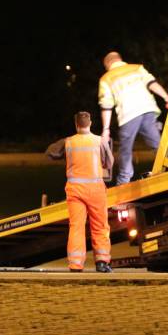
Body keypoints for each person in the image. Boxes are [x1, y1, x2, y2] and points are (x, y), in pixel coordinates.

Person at [46, 111, 114, 273]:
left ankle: (76, 265)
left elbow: (50, 152)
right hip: (96, 189)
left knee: (76, 227)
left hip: (75, 190)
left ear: (76, 125)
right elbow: (110, 162)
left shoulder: (68, 142)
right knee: (100, 226)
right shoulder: (99, 141)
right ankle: (102, 263)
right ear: (90, 124)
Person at [98, 51, 168, 185]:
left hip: (129, 114)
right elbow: (152, 84)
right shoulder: (137, 68)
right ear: (120, 59)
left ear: (108, 64)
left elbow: (106, 105)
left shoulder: (106, 78)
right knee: (157, 144)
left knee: (125, 149)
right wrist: (167, 98)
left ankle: (123, 181)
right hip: (148, 109)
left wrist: (106, 129)